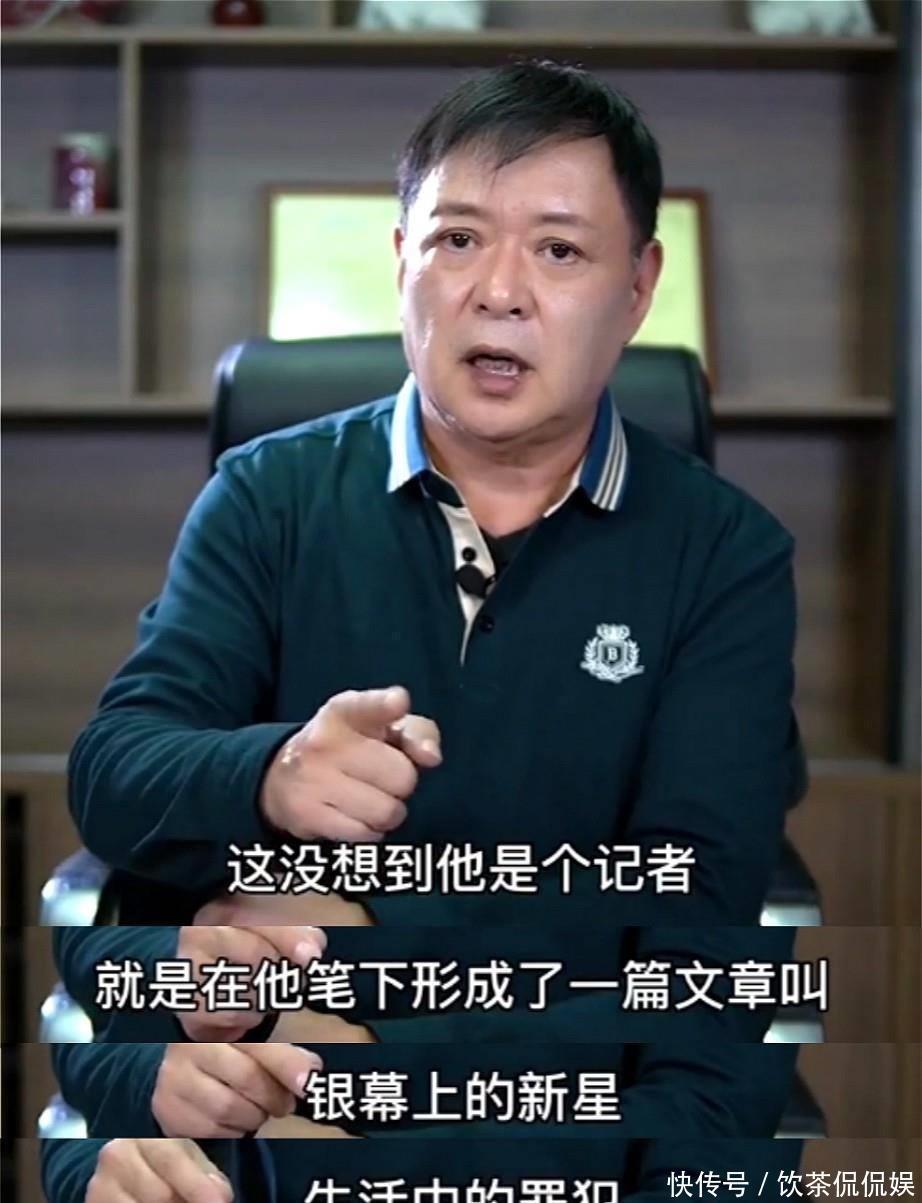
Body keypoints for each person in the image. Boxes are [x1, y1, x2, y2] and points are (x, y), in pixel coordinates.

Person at [43, 58, 804, 1203]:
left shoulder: (723, 555)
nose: (499, 292)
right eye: (456, 239)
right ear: (401, 259)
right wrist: (270, 775)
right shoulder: (269, 497)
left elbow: (700, 946)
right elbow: (115, 774)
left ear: (638, 286)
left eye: (559, 251)